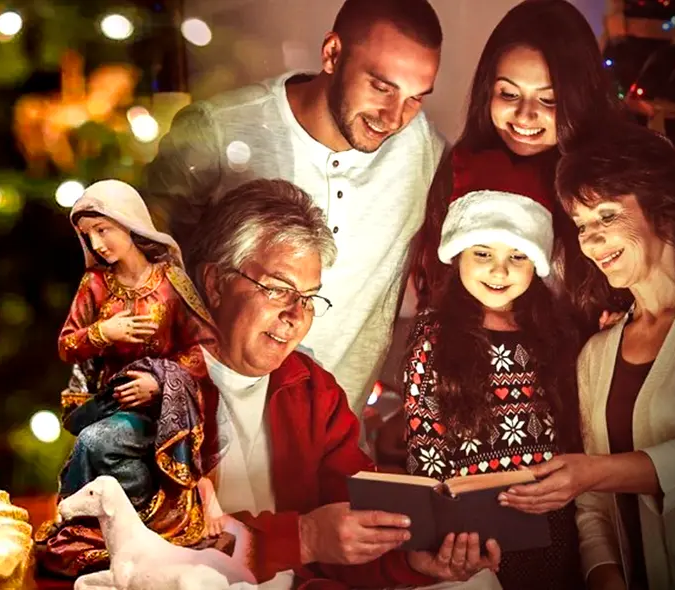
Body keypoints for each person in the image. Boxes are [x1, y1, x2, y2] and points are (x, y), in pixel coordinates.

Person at [188, 178, 500, 588]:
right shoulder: (155, 383)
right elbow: (161, 544)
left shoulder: (312, 389)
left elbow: (348, 533)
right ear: (215, 283)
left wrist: (413, 561)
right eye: (278, 290)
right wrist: (304, 538)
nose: (295, 316)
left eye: (308, 298)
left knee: (475, 583)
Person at [144, 0, 445, 415]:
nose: (394, 118)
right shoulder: (219, 131)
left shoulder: (422, 150)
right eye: (381, 87)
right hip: (205, 424)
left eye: (415, 98)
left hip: (336, 436)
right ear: (332, 54)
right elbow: (139, 269)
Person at [500, 123, 675, 590]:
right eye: (582, 224)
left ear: (662, 207)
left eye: (607, 215)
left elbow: (592, 477)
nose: (591, 240)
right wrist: (604, 576)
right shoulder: (597, 355)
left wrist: (595, 473)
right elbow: (593, 506)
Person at [403, 149, 584, 589]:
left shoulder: (556, 331)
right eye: (483, 252)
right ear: (458, 254)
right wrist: (430, 533)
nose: (499, 271)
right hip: (472, 534)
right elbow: (424, 445)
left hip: (554, 524)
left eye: (518, 256)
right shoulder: (433, 335)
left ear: (537, 262)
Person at [36, 180, 225, 577]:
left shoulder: (171, 283)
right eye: (88, 235)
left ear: (129, 223)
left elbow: (206, 349)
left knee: (95, 443)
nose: (97, 244)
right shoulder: (95, 285)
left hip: (164, 412)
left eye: (103, 230)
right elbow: (67, 345)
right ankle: (109, 527)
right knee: (101, 446)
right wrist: (104, 332)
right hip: (111, 402)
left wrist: (160, 382)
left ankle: (122, 522)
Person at [408, 0, 629, 339]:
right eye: (509, 94)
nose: (525, 115)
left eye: (548, 99)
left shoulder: (613, 191)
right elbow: (437, 292)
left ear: (580, 99)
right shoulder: (459, 178)